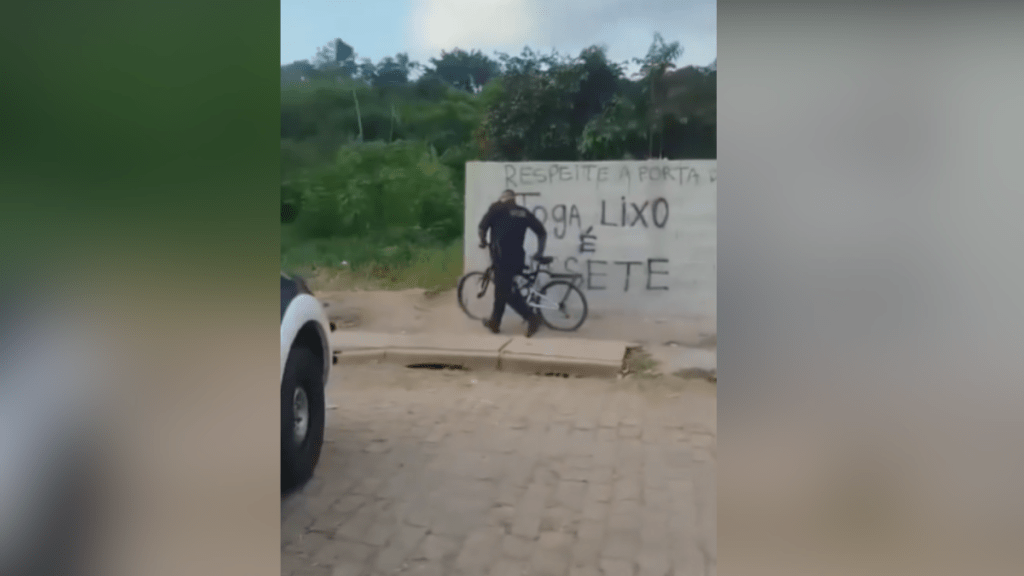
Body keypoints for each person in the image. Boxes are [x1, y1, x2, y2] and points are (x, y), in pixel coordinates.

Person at [477, 189, 547, 337]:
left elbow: (482, 227)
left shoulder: (496, 208)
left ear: (502, 199)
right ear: (514, 200)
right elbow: (541, 232)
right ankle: (495, 323)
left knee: (504, 291)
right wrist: (539, 252)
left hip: (501, 257)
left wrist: (483, 241)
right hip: (517, 258)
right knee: (502, 289)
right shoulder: (523, 212)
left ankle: (531, 317)